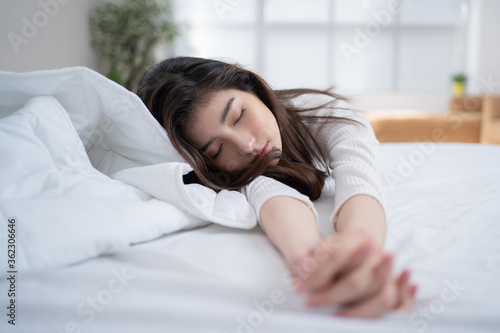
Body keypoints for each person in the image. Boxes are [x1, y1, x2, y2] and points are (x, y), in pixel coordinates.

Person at [137, 56, 417, 318]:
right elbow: (267, 192)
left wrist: (361, 247)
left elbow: (359, 178)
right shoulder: (230, 174)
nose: (246, 145)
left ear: (253, 88)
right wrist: (307, 256)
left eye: (238, 116)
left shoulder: (323, 112)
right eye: (217, 149)